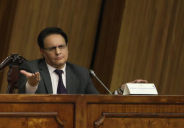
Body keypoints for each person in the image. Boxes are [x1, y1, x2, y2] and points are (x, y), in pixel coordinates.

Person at [18, 27, 146, 94]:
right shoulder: (31, 68)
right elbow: (21, 100)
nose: (58, 52)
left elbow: (98, 104)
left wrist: (121, 90)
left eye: (61, 47)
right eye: (52, 48)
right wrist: (32, 85)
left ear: (67, 46)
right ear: (42, 51)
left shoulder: (81, 73)